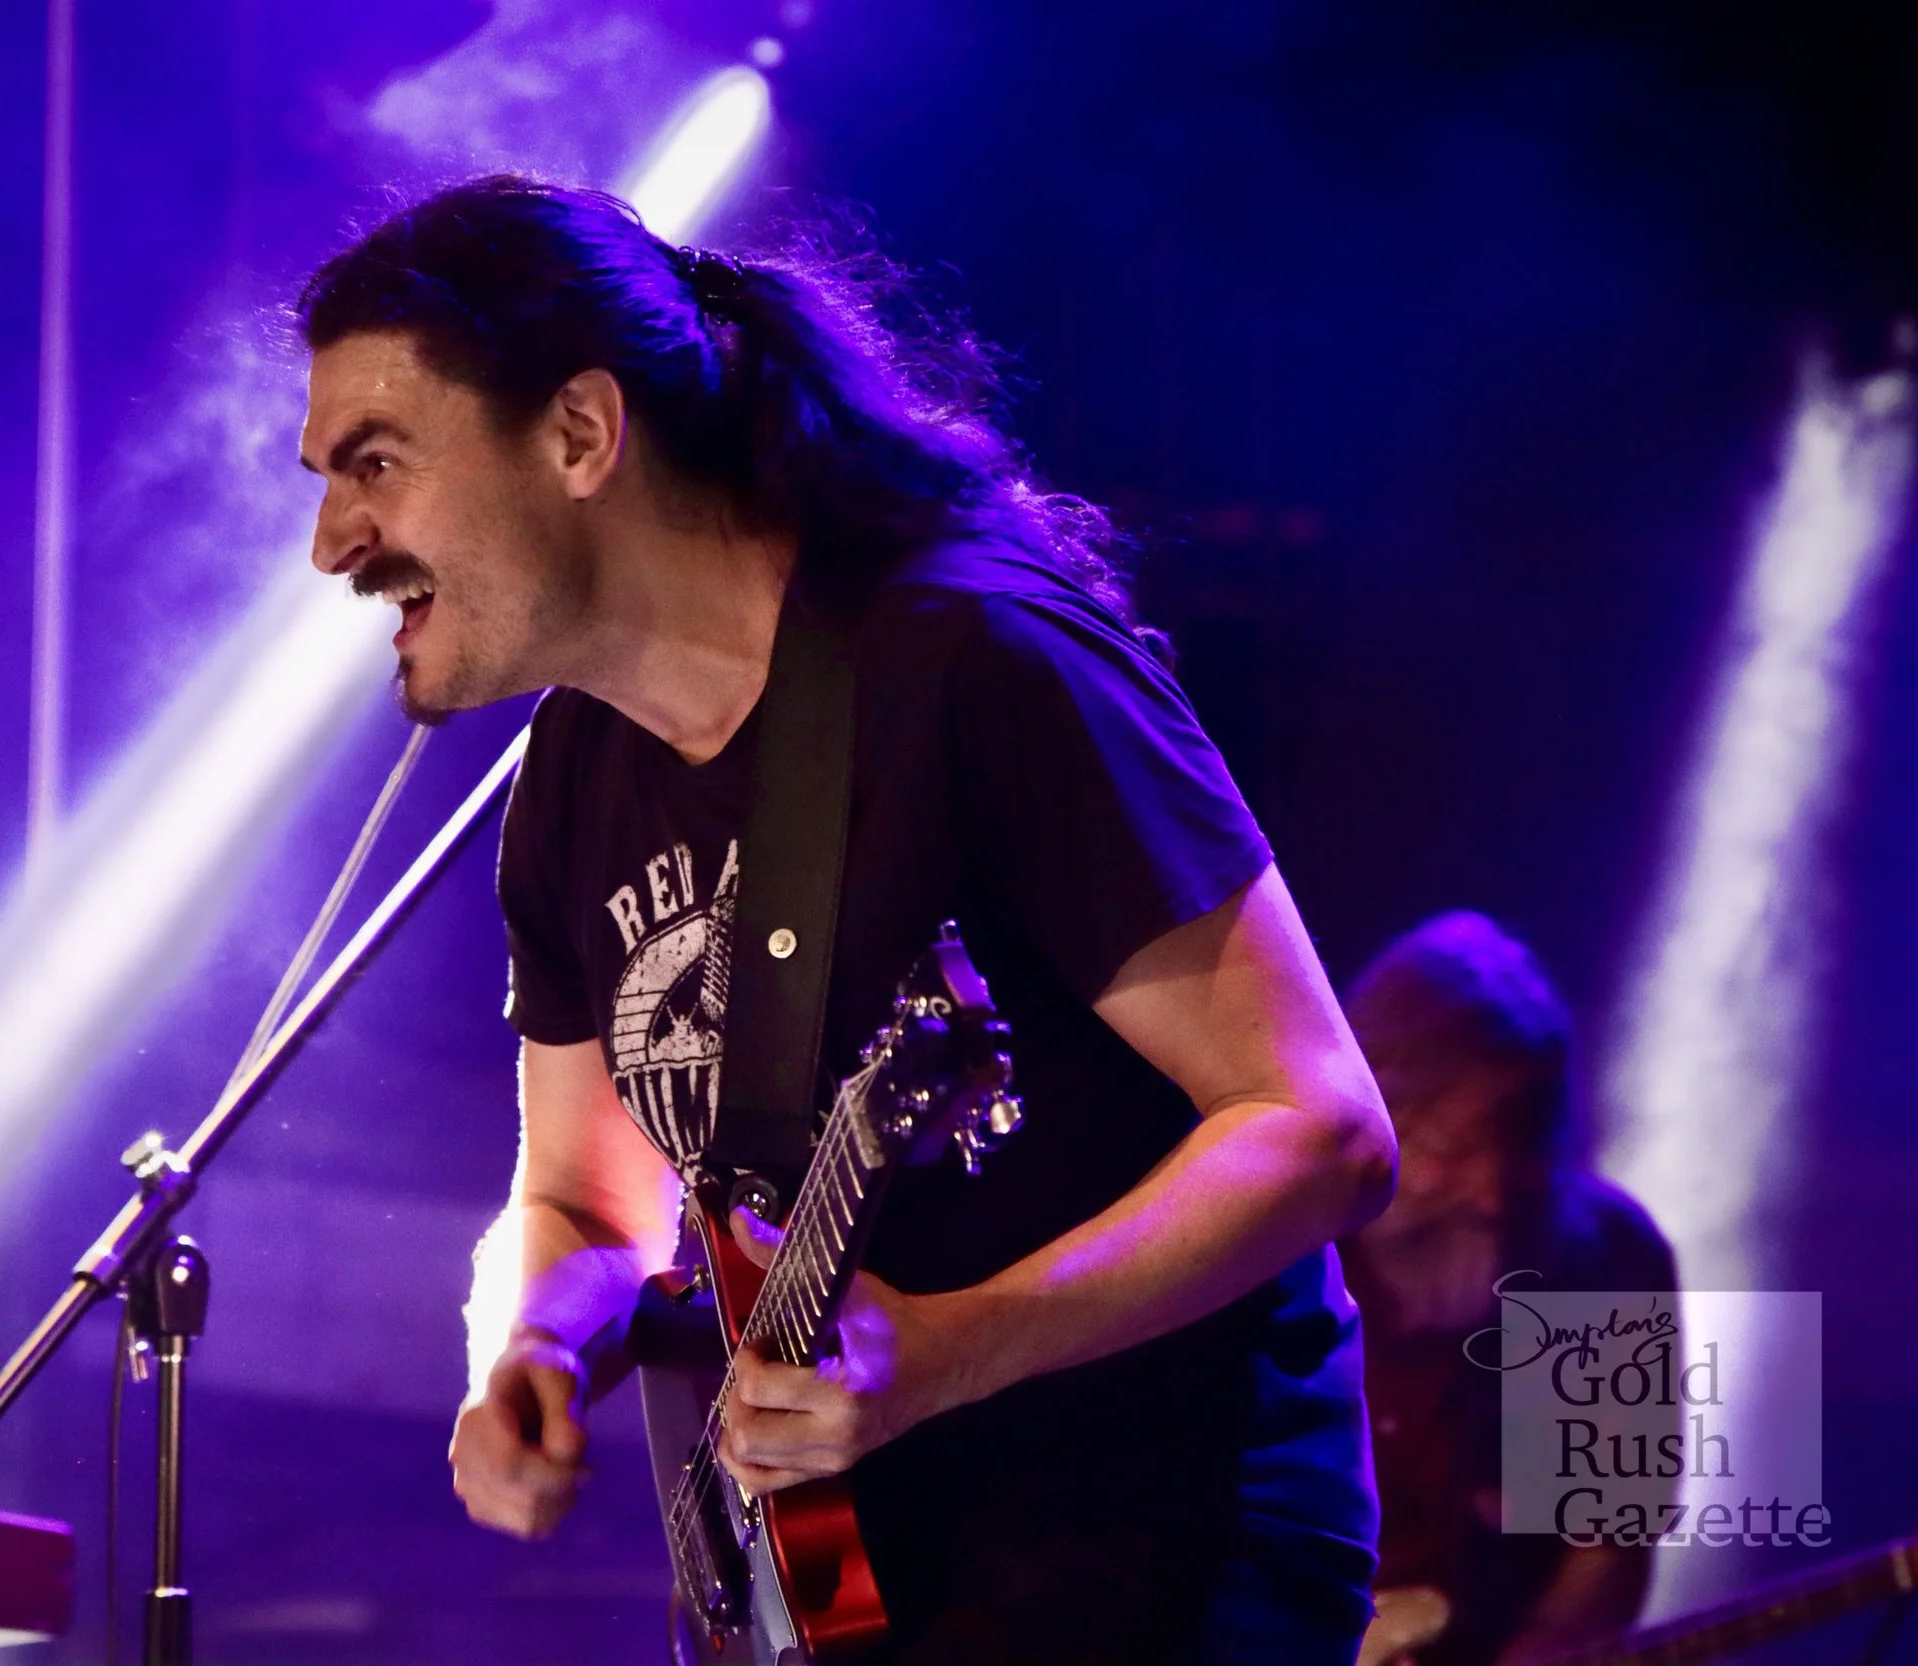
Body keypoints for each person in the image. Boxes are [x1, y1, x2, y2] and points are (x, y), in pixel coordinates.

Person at [291, 176, 1398, 1663]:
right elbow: (583, 1199)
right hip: (853, 1577)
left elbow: (1317, 1123)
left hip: (1160, 1543)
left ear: (577, 434)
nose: (331, 542)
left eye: (375, 462)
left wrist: (952, 1346)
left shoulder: (982, 664)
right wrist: (530, 1343)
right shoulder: (571, 771)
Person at [1340, 913, 1677, 1666]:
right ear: (1374, 1107)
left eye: (1521, 1150)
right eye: (1457, 1149)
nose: (1492, 1195)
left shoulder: (1602, 1264)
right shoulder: (1274, 1243)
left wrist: (1543, 1644)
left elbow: (1608, 1551)